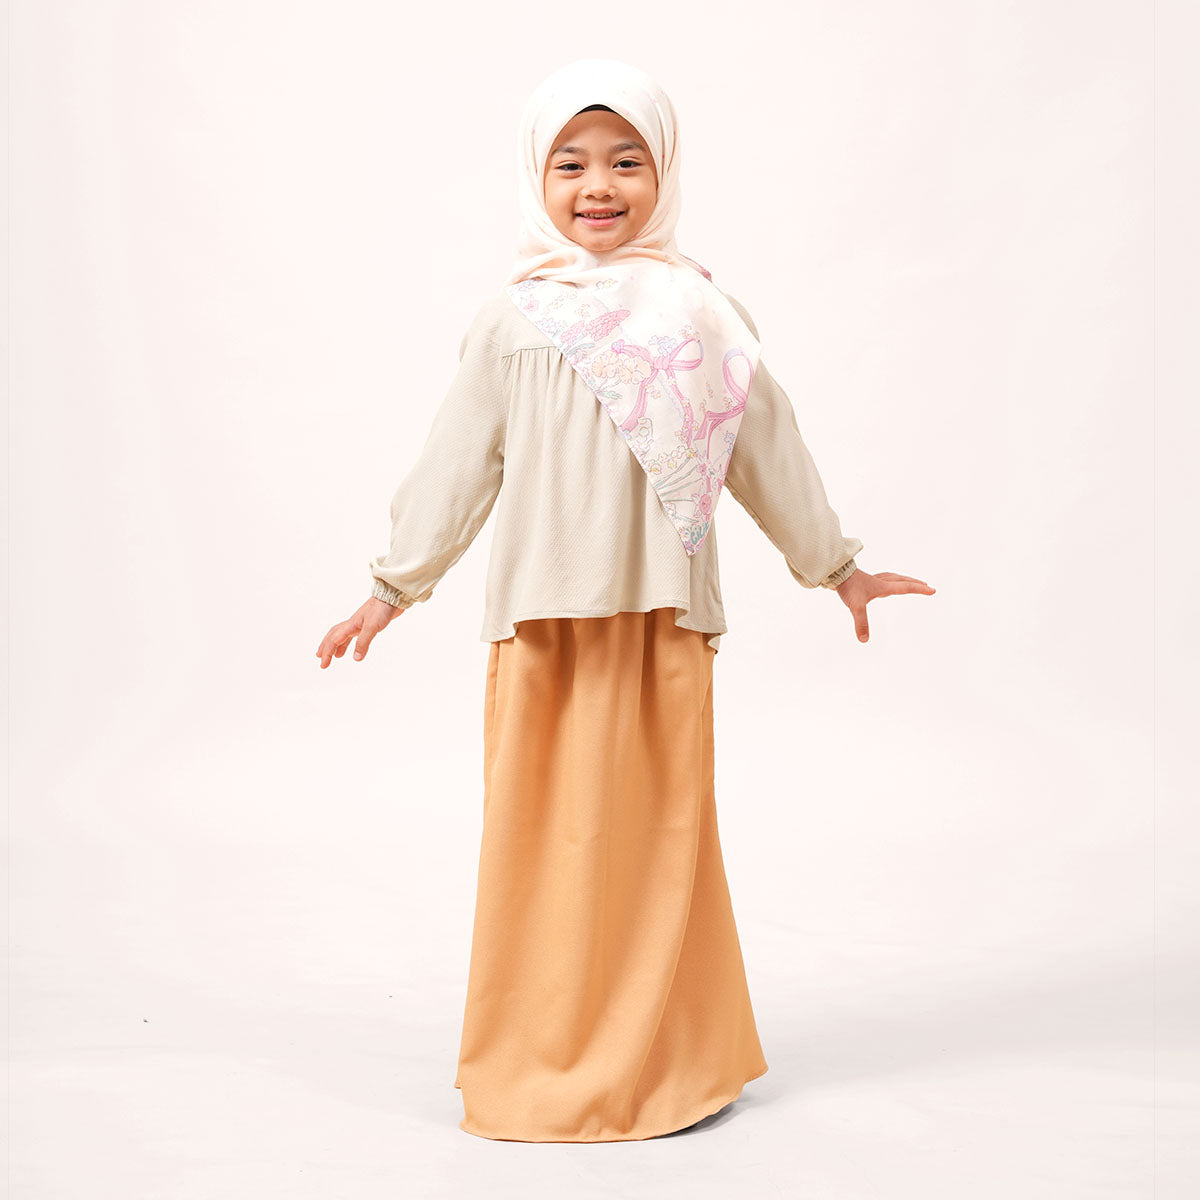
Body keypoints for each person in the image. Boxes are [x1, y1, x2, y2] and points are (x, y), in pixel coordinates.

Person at [316, 58, 935, 1143]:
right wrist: (392, 587)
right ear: (537, 177)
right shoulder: (512, 321)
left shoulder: (703, 313)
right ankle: (539, 1063)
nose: (598, 186)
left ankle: (670, 1060)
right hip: (544, 624)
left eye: (625, 161)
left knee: (657, 843)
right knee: (542, 848)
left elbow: (767, 450)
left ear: (664, 172)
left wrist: (837, 566)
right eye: (571, 164)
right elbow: (458, 462)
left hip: (661, 623)